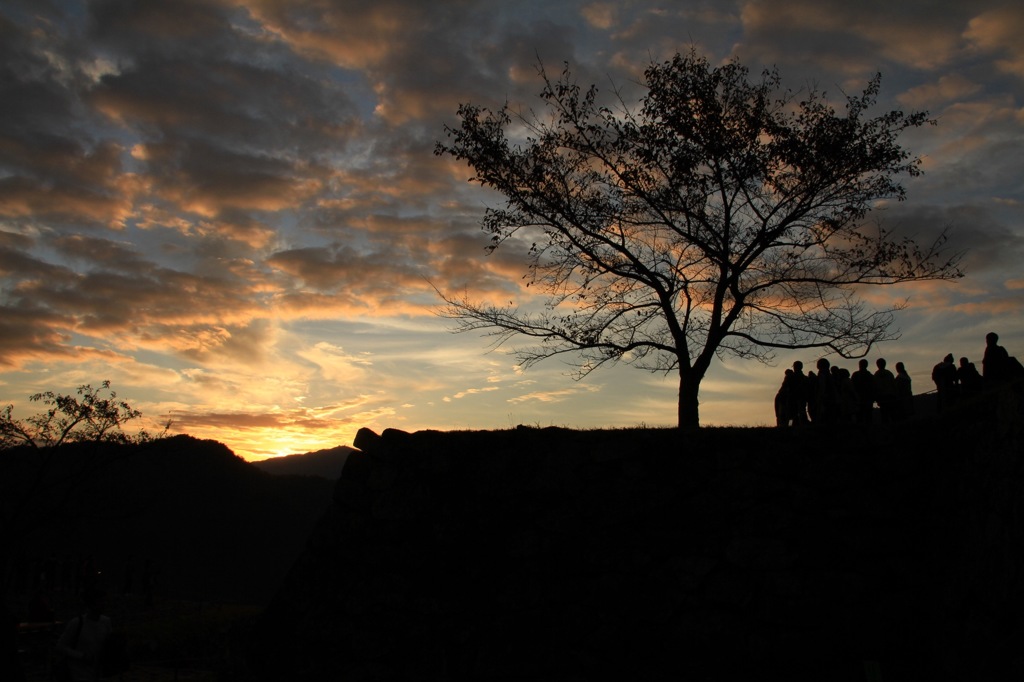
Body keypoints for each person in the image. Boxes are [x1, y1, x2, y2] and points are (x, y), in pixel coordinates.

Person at [56, 588, 112, 682]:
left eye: (105, 601)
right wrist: (81, 656)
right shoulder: (77, 623)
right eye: (101, 601)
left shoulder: (106, 622)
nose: (104, 604)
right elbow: (61, 646)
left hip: (98, 671)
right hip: (78, 672)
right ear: (91, 604)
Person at [851, 359, 875, 424]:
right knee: (868, 417)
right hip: (867, 399)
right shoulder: (870, 376)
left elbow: (852, 387)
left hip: (859, 399)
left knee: (860, 418)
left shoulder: (855, 375)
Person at [874, 358, 897, 423]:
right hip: (890, 396)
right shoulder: (889, 373)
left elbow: (875, 387)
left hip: (882, 397)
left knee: (884, 416)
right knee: (892, 415)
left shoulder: (876, 375)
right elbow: (894, 385)